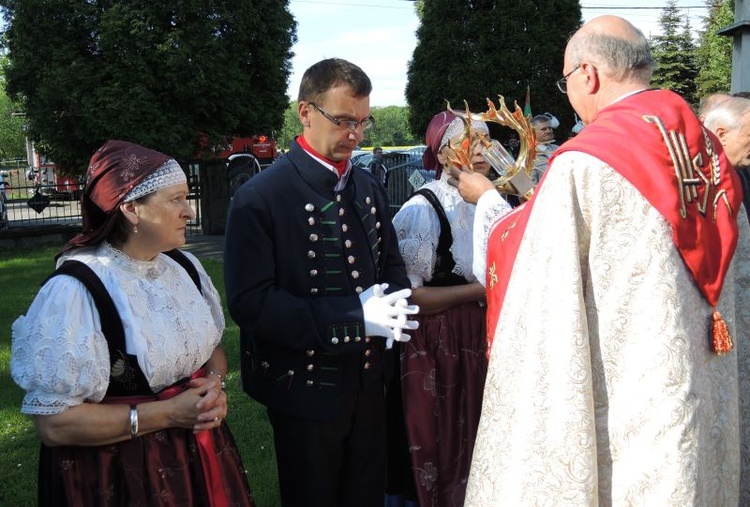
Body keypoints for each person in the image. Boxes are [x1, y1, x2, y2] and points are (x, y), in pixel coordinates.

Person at [448, 16, 746, 505]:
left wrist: (487, 203)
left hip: (629, 404)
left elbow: (534, 263)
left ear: (587, 74)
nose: (568, 95)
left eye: (566, 81)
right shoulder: (709, 152)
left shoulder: (587, 160)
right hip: (704, 387)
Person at [10, 140, 254, 506]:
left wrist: (213, 389)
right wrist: (170, 413)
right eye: (176, 200)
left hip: (198, 451)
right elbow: (55, 425)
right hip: (120, 472)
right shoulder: (76, 291)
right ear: (131, 208)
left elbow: (211, 350)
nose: (189, 212)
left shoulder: (184, 268)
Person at [224, 58, 418, 507]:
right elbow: (250, 303)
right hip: (305, 388)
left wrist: (393, 304)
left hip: (369, 382)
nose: (355, 134)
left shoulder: (367, 185)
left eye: (363, 122)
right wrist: (353, 317)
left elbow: (389, 262)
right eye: (344, 120)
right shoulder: (261, 196)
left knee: (367, 494)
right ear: (305, 112)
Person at [390, 111, 512, 506]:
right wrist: (477, 290)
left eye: (486, 140)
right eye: (470, 141)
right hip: (440, 342)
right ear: (442, 155)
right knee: (441, 434)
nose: (482, 150)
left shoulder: (496, 200)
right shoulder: (421, 209)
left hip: (482, 334)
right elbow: (412, 295)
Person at [529, 114, 559, 183]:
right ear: (533, 132)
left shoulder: (559, 149)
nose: (548, 131)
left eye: (550, 128)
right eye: (543, 129)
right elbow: (530, 188)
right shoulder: (529, 157)